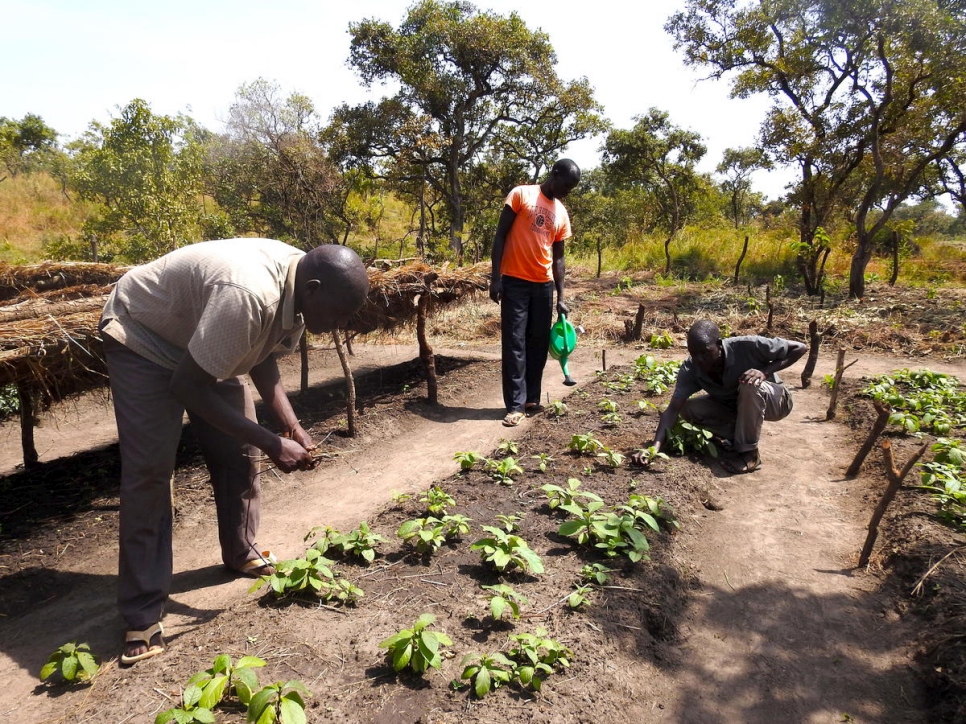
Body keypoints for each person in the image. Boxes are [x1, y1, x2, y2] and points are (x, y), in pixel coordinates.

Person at [99, 238, 369, 665]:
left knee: (239, 449)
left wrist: (292, 427)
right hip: (146, 335)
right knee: (149, 472)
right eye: (337, 314)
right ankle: (142, 610)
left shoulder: (299, 289)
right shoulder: (248, 293)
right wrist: (272, 440)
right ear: (314, 288)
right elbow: (187, 386)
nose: (337, 324)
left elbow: (260, 355)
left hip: (205, 341)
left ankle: (241, 550)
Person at [631, 319, 806, 474]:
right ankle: (734, 438)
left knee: (749, 383)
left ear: (719, 344)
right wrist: (654, 448)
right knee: (687, 410)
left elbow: (800, 348)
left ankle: (749, 455)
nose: (700, 359)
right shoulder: (692, 369)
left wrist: (764, 372)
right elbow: (673, 409)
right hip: (734, 406)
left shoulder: (746, 346)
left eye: (705, 352)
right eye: (694, 354)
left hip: (776, 402)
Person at [489, 159, 581, 427]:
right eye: (566, 185)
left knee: (538, 344)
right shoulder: (521, 194)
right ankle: (515, 405)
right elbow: (500, 236)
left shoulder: (561, 213)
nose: (567, 191)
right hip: (515, 281)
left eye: (572, 188)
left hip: (543, 286)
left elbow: (559, 258)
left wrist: (561, 296)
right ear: (554, 175)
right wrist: (496, 278)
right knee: (515, 343)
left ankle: (531, 398)